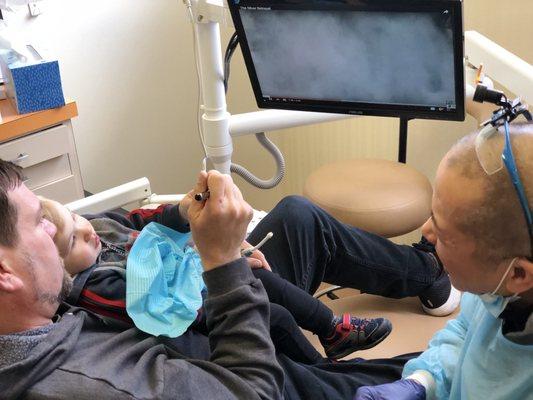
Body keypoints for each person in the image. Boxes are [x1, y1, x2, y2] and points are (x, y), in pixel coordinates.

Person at [0, 156, 452, 399]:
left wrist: (189, 211)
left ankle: (428, 273)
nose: (74, 226)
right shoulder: (89, 377)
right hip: (246, 364)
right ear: (6, 274)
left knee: (298, 215)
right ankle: (334, 342)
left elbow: (121, 220)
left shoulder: (51, 285)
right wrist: (223, 265)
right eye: (39, 223)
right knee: (448, 373)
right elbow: (252, 389)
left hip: (211, 315)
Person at [38, 196, 392, 362]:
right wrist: (223, 272)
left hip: (198, 276)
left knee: (275, 252)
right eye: (73, 240)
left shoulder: (98, 227)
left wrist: (188, 209)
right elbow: (169, 314)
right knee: (278, 317)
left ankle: (332, 329)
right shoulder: (95, 286)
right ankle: (327, 376)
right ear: (59, 269)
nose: (87, 230)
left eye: (75, 216)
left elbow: (146, 218)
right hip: (196, 314)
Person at [354, 122, 533, 399]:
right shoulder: (498, 289)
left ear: (519, 274)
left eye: (446, 234)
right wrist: (424, 380)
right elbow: (464, 331)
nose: (426, 231)